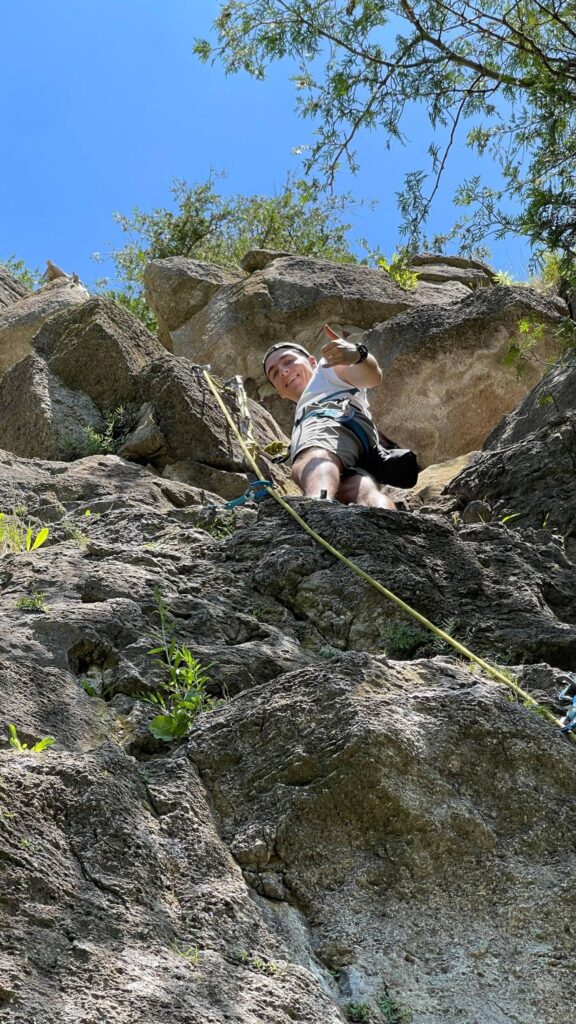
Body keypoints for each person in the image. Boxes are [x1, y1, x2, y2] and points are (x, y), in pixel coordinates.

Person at [263, 326, 396, 509]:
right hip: (361, 442)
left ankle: (317, 508)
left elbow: (373, 377)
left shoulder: (326, 369)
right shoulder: (308, 405)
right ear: (280, 393)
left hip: (332, 420)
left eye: (288, 361)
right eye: (275, 373)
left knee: (315, 456)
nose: (283, 371)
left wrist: (358, 355)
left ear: (312, 362)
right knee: (358, 489)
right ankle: (391, 526)